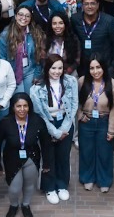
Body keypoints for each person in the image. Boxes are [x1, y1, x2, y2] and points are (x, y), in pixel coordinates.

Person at [0, 92, 53, 217]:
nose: (22, 109)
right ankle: (13, 205)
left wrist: (46, 163)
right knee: (14, 188)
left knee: (29, 185)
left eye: (25, 106)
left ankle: (25, 205)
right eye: (18, 106)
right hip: (11, 159)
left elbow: (45, 143)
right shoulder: (5, 122)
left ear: (29, 106)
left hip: (32, 158)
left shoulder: (37, 121)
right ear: (13, 107)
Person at [29, 54, 78, 203]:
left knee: (63, 155)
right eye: (53, 68)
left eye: (60, 68)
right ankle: (49, 187)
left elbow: (74, 105)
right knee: (48, 156)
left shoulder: (71, 81)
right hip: (47, 124)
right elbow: (40, 114)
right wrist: (54, 132)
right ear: (47, 69)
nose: (57, 71)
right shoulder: (36, 88)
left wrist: (64, 129)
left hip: (65, 121)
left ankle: (62, 185)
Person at [77, 58, 114, 193]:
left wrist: (112, 130)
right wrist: (80, 115)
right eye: (92, 68)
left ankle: (104, 180)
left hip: (104, 122)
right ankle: (87, 178)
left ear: (104, 67)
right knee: (86, 152)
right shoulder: (82, 81)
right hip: (86, 121)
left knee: (104, 153)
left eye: (98, 67)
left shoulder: (112, 84)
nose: (95, 71)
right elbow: (75, 102)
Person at [0, 6, 44, 92]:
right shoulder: (5, 35)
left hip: (30, 70)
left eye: (27, 16)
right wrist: (7, 76)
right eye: (21, 15)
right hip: (13, 71)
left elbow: (39, 56)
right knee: (19, 97)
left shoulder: (35, 33)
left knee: (30, 96)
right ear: (15, 16)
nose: (24, 18)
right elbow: (2, 58)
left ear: (30, 18)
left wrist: (37, 74)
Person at [71, 0, 114, 67]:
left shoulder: (109, 21)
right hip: (83, 66)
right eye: (86, 4)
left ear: (98, 5)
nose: (89, 6)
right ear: (82, 6)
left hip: (104, 66)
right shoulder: (75, 19)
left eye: (92, 3)